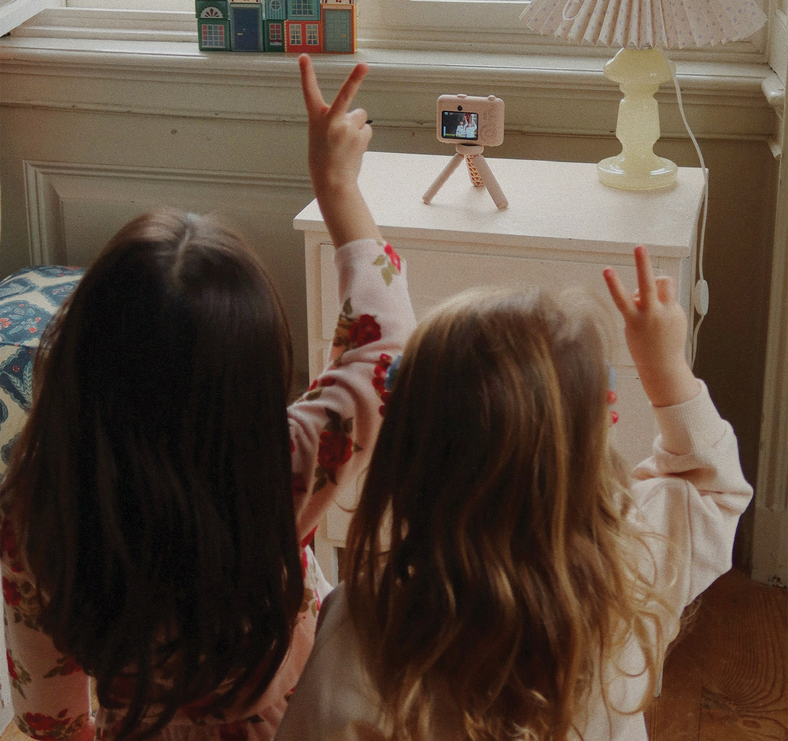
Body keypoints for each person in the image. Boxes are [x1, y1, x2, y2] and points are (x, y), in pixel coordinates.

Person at [0, 55, 416, 741]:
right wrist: (337, 187)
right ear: (253, 378)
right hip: (291, 721)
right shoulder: (285, 462)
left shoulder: (35, 509)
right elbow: (387, 347)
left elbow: (50, 713)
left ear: (81, 361)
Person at [276, 246, 753, 741]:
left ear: (407, 459)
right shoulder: (635, 565)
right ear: (588, 450)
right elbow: (715, 489)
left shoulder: (365, 627)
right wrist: (662, 368)